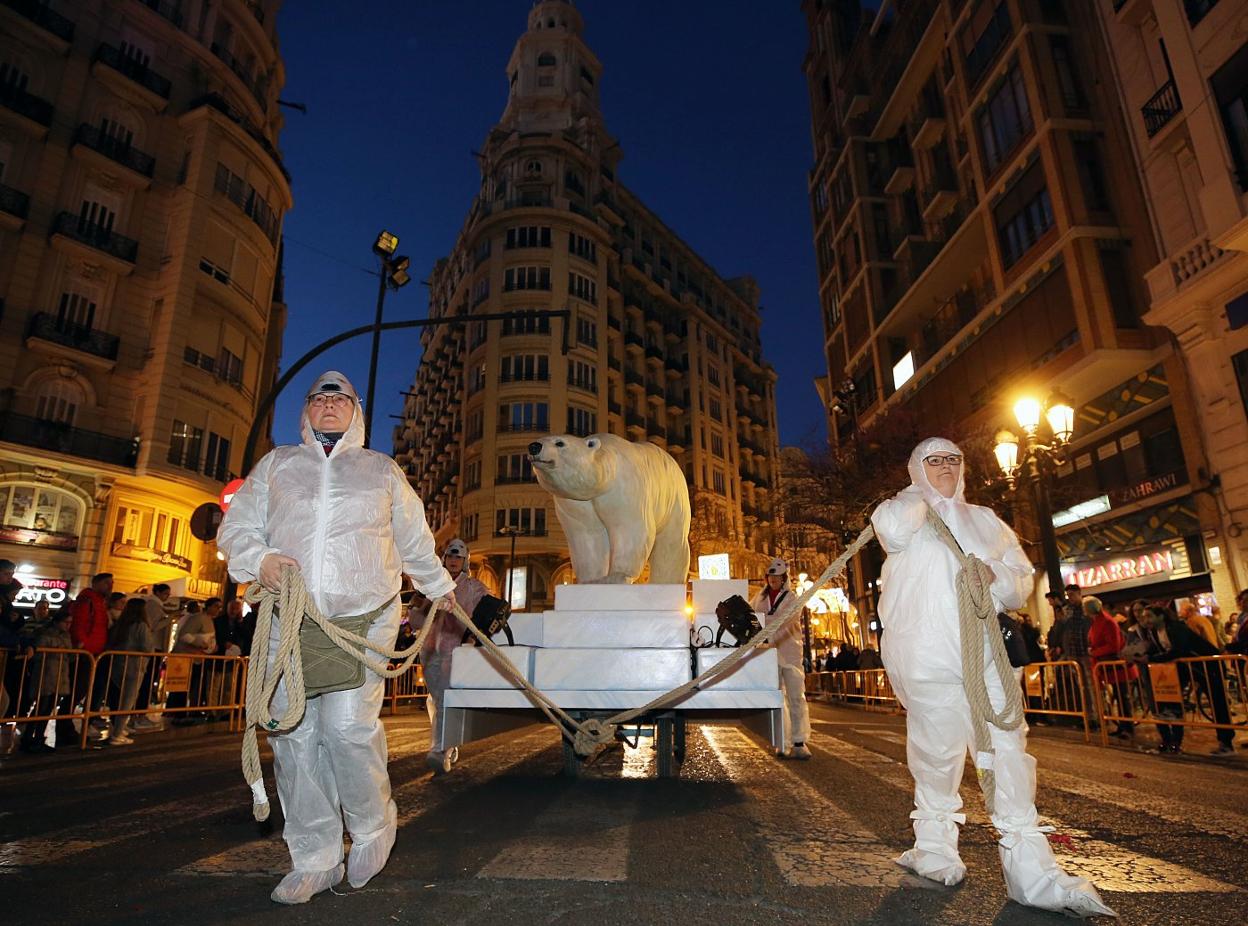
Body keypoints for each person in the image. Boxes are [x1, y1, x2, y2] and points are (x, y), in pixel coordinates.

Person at [218, 370, 456, 905]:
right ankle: (315, 858)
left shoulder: (382, 470)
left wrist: (442, 589)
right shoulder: (277, 465)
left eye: (340, 397)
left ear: (357, 411)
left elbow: (415, 540)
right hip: (289, 619)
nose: (329, 404)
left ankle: (373, 825)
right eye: (319, 397)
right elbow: (236, 531)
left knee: (348, 729)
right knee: (295, 739)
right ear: (306, 411)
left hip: (363, 620)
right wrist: (261, 559)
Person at [870, 437, 1112, 916]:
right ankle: (934, 847)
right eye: (932, 461)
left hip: (984, 657)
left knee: (1007, 750)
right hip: (926, 657)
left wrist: (994, 577)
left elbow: (1021, 580)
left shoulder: (984, 519)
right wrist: (920, 493)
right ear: (916, 467)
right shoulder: (904, 511)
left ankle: (1032, 871)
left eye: (952, 460)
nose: (944, 468)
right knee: (937, 756)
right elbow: (892, 533)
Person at [411, 538, 487, 774]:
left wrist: (474, 643)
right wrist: (419, 603)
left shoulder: (474, 588)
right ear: (444, 559)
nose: (454, 561)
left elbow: (484, 617)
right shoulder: (430, 588)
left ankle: (439, 750)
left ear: (465, 561)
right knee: (436, 700)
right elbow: (415, 621)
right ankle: (449, 742)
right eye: (450, 557)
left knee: (444, 699)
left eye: (458, 557)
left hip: (457, 654)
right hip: (430, 651)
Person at [1134, 604, 1235, 755]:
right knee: (1174, 688)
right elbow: (1160, 650)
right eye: (1144, 616)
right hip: (1187, 668)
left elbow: (1179, 650)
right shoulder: (1154, 632)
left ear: (1161, 616)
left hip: (1206, 665)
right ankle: (1172, 710)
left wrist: (1153, 658)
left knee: (1217, 703)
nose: (1146, 619)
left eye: (1149, 616)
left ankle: (1226, 742)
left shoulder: (1176, 628)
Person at [751, 557, 811, 760]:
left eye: (777, 576)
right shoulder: (758, 598)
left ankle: (799, 741)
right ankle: (781, 741)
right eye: (770, 576)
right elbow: (752, 619)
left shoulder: (792, 598)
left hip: (791, 652)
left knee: (796, 697)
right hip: (768, 654)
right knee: (776, 699)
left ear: (783, 578)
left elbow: (787, 620)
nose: (773, 580)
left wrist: (763, 620)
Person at [20, 606, 75, 753]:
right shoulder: (45, 633)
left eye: (70, 622)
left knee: (46, 709)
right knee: (41, 708)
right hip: (46, 674)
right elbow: (39, 650)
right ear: (57, 622)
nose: (68, 625)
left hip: (59, 675)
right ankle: (29, 738)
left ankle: (37, 738)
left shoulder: (65, 636)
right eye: (66, 622)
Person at [1084, 596, 1137, 739]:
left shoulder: (1106, 622)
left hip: (1116, 666)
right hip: (1108, 666)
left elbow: (1113, 645)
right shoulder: (1098, 621)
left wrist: (1094, 652)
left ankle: (1128, 727)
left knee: (1122, 697)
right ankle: (1123, 726)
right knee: (1119, 697)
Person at [105, 598, 154, 746]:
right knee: (128, 700)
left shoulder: (120, 625)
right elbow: (147, 647)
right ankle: (117, 733)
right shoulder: (141, 626)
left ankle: (118, 728)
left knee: (120, 698)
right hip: (134, 665)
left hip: (118, 664)